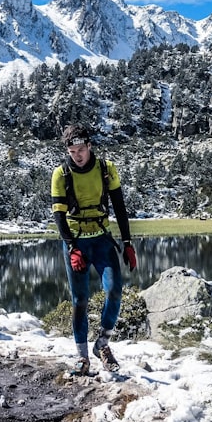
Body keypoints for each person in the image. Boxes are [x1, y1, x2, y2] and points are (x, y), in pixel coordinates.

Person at [50, 124, 137, 374]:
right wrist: (71, 247)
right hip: (76, 243)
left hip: (102, 240)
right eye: (72, 151)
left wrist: (127, 243)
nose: (77, 155)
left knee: (115, 291)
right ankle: (82, 357)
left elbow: (120, 207)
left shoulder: (106, 169)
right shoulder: (61, 174)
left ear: (89, 146)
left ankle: (103, 344)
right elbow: (59, 215)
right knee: (80, 300)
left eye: (81, 149)